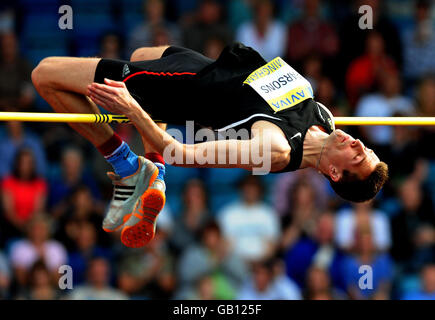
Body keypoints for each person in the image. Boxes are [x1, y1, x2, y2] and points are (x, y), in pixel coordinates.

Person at [31, 42, 389, 248]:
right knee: (142, 51)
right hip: (209, 64)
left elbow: (180, 152)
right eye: (366, 147)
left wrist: (133, 109)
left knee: (44, 74)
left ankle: (128, 166)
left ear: (334, 172)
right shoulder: (326, 121)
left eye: (358, 155)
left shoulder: (275, 149)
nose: (358, 142)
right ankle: (151, 174)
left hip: (178, 86)